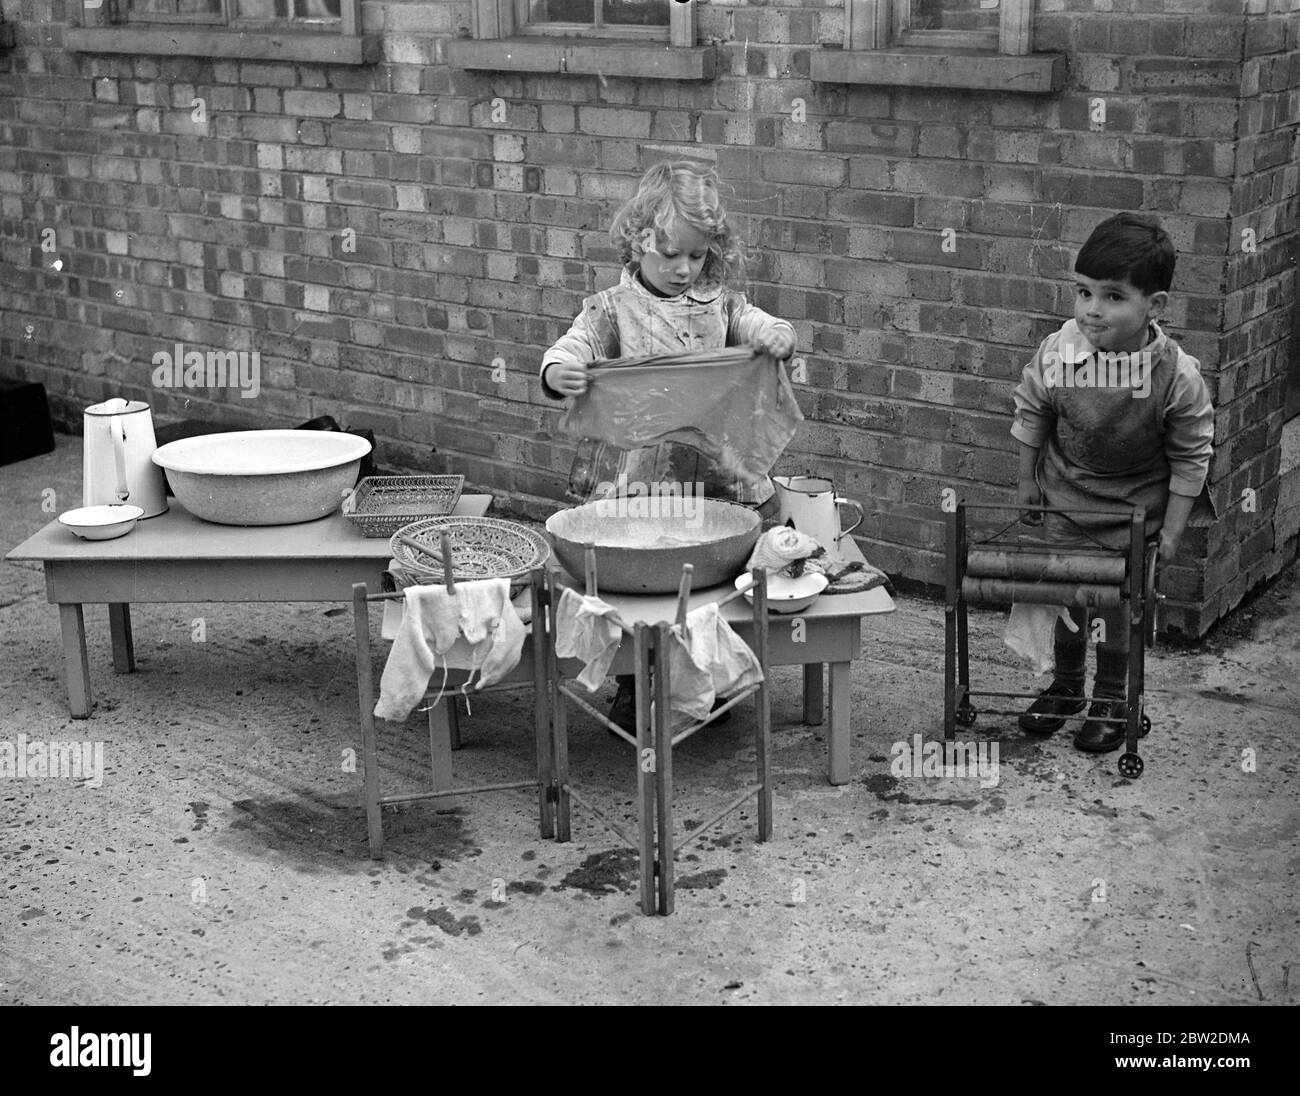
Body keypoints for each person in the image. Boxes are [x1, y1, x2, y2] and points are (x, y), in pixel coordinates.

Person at [540, 160, 797, 731]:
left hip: (712, 474)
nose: (684, 269)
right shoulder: (611, 308)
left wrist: (777, 335)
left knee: (708, 578)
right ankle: (633, 683)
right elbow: (573, 344)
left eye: (697, 255)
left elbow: (757, 323)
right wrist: (560, 370)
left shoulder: (723, 304)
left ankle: (705, 675)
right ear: (637, 241)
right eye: (670, 253)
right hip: (639, 480)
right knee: (640, 578)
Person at [1012, 212, 1215, 752]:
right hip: (1066, 498)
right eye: (1083, 293)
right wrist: (1027, 481)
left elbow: (1192, 456)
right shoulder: (1061, 351)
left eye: (1112, 297)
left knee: (1116, 607)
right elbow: (1033, 412)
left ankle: (1110, 699)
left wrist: (1170, 532)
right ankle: (1065, 688)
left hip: (1133, 511)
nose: (1092, 310)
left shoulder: (1176, 375)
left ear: (1156, 306)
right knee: (1069, 596)